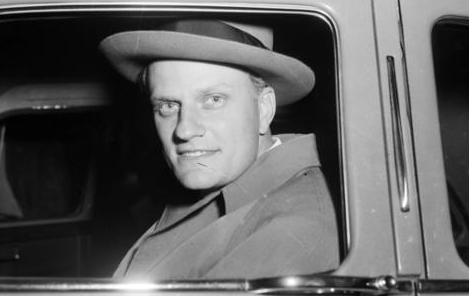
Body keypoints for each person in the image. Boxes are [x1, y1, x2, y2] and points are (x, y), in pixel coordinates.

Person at [99, 19, 339, 280]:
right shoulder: (216, 192)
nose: (184, 130)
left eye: (214, 100)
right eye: (167, 106)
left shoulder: (297, 228)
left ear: (264, 108)